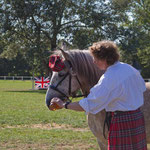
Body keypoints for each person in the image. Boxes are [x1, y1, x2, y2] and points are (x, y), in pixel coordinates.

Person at [50, 40, 147, 150]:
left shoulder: (109, 78)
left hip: (122, 122)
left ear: (105, 59)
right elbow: (141, 88)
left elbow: (90, 104)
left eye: (95, 58)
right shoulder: (130, 69)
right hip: (136, 119)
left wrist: (64, 105)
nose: (93, 62)